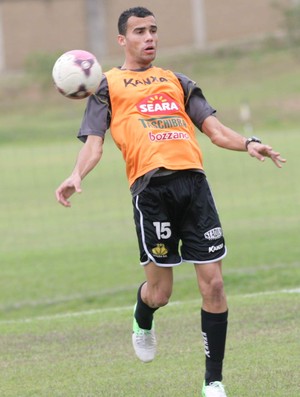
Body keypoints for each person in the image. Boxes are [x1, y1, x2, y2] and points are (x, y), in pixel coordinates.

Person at [55, 7, 286, 397]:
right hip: (152, 193)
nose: (150, 38)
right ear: (122, 40)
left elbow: (213, 130)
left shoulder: (177, 81)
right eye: (140, 31)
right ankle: (143, 316)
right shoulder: (107, 87)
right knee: (161, 293)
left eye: (154, 30)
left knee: (213, 285)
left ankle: (213, 381)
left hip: (194, 188)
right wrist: (77, 174)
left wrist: (248, 143)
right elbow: (94, 144)